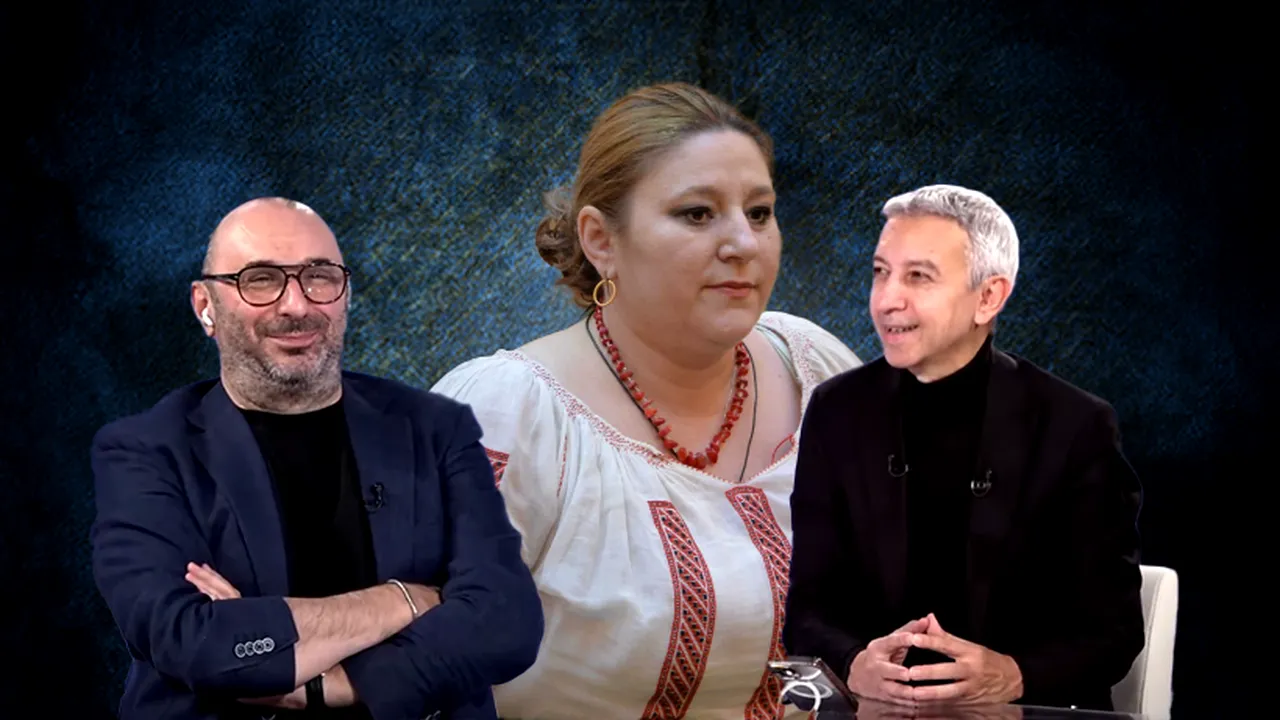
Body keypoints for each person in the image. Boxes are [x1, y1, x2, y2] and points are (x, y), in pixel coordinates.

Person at [429, 82, 862, 719]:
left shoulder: (817, 369)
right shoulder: (508, 416)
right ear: (600, 240)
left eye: (759, 212)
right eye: (697, 213)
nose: (744, 243)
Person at [89, 197, 544, 720]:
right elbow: (192, 642)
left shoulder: (436, 428)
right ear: (205, 306)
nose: (296, 305)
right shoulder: (143, 452)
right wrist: (405, 601)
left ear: (345, 293)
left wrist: (325, 685)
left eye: (319, 276)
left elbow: (507, 621)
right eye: (260, 279)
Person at [782, 184, 1145, 712]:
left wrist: (1014, 674)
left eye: (918, 277)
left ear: (989, 297)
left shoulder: (1075, 425)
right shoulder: (837, 410)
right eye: (881, 272)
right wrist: (854, 662)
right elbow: (808, 612)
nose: (886, 299)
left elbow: (1113, 631)